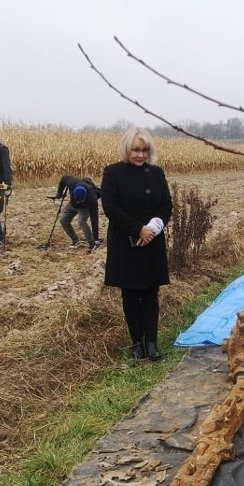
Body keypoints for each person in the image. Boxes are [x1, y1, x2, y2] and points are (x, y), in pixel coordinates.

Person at [101, 127, 172, 361]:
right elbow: (111, 207)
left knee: (151, 291)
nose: (140, 155)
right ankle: (136, 343)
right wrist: (137, 229)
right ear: (127, 150)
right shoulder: (113, 173)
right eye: (135, 150)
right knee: (130, 294)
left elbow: (166, 206)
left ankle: (151, 342)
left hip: (152, 241)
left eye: (144, 150)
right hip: (125, 242)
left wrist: (152, 228)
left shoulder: (157, 173)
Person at [51, 175, 102, 251]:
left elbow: (94, 219)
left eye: (80, 200)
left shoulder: (92, 198)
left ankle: (92, 244)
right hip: (72, 204)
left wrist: (96, 239)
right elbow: (63, 178)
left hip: (85, 207)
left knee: (82, 222)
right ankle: (75, 241)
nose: (79, 202)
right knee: (63, 219)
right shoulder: (72, 182)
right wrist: (60, 193)